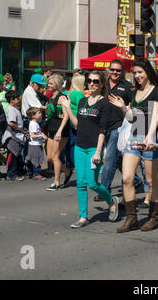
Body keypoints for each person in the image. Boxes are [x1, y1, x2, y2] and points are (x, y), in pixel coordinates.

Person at [109, 58, 158, 233]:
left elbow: (156, 116)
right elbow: (132, 118)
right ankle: (131, 218)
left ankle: (153, 218)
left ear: (147, 72)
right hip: (134, 138)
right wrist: (123, 107)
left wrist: (149, 136)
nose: (137, 75)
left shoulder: (156, 92)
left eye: (140, 72)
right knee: (127, 178)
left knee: (150, 181)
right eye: (135, 73)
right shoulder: (135, 92)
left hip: (150, 140)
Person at [59, 70, 119, 228]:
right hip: (79, 146)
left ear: (101, 84)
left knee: (92, 183)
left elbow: (103, 129)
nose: (92, 83)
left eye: (96, 81)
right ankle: (83, 217)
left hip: (94, 147)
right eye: (90, 80)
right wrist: (68, 108)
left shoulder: (105, 103)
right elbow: (77, 124)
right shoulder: (82, 102)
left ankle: (112, 202)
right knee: (80, 183)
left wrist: (98, 151)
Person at [97, 60, 144, 202]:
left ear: (122, 72)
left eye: (118, 70)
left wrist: (138, 130)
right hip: (102, 127)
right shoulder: (102, 84)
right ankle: (136, 180)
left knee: (109, 159)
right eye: (112, 70)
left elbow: (135, 106)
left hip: (118, 127)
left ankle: (104, 189)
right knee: (118, 160)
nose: (115, 73)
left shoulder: (128, 87)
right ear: (109, 70)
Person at [45, 74, 72, 191]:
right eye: (48, 83)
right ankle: (67, 171)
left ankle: (56, 182)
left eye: (51, 83)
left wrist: (60, 131)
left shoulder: (62, 97)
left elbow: (66, 116)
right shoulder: (51, 97)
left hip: (60, 130)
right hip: (51, 128)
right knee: (50, 158)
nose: (48, 85)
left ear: (57, 84)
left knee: (56, 156)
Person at [2, 91, 26, 181]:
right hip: (12, 137)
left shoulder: (15, 108)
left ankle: (18, 172)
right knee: (12, 155)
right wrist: (20, 129)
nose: (18, 100)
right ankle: (11, 174)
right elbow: (11, 123)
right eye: (17, 98)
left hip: (16, 136)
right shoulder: (11, 109)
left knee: (16, 155)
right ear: (11, 100)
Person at [25, 107, 47, 181]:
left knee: (34, 159)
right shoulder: (33, 124)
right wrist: (41, 135)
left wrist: (41, 133)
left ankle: (30, 173)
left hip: (36, 144)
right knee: (36, 159)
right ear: (33, 116)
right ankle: (37, 173)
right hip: (35, 145)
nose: (40, 114)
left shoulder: (35, 123)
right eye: (38, 113)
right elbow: (33, 135)